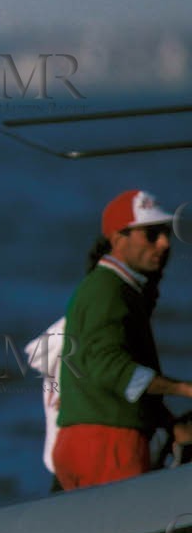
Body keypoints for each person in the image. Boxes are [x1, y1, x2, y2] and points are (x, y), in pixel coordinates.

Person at [53, 189, 192, 490]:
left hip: (81, 442)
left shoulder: (106, 286)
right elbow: (109, 367)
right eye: (152, 234)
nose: (165, 243)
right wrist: (183, 388)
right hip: (109, 444)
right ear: (118, 239)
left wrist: (169, 424)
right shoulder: (110, 291)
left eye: (166, 233)